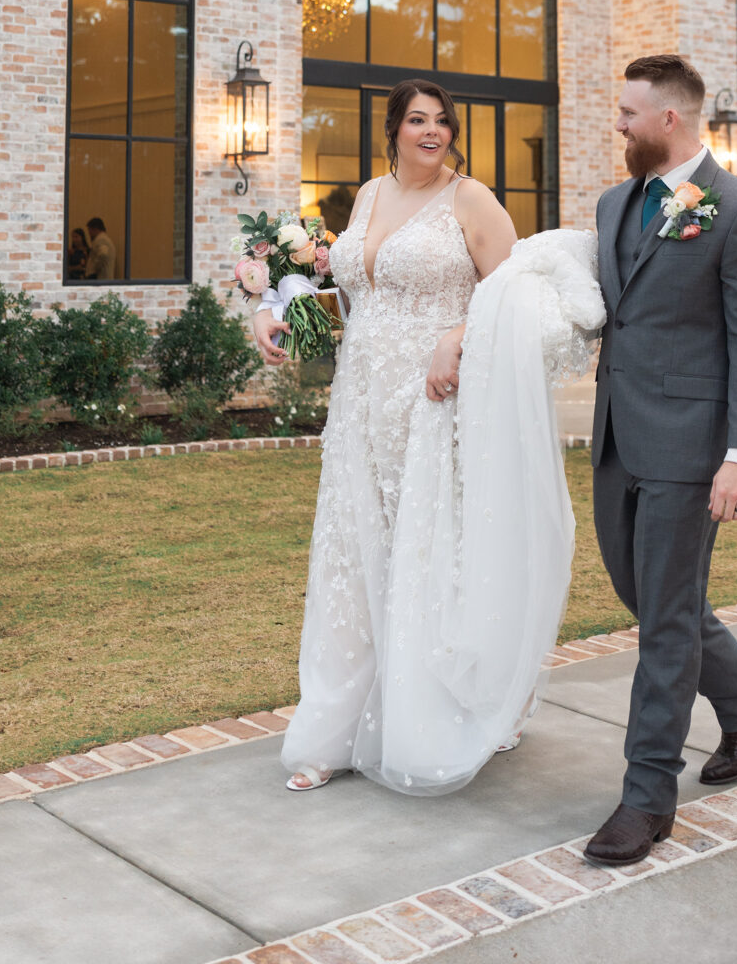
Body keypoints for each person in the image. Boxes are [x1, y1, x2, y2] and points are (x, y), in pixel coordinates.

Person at [254, 80, 595, 795]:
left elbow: (514, 298)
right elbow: (356, 294)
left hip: (437, 400)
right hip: (360, 403)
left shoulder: (471, 199)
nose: (431, 131)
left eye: (441, 121)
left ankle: (443, 716)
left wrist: (456, 336)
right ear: (392, 130)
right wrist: (277, 310)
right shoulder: (370, 196)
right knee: (356, 554)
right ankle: (337, 728)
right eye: (417, 120)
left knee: (430, 551)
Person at [584, 53, 737, 867]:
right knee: (649, 597)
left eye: (628, 113)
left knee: (665, 622)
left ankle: (645, 799)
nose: (619, 125)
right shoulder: (611, 204)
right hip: (614, 437)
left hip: (689, 448)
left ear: (668, 119)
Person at [83, 217, 116, 282]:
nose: (89, 233)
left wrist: (93, 270)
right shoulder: (104, 239)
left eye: (89, 230)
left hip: (101, 277)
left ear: (95, 229)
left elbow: (103, 255)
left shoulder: (101, 240)